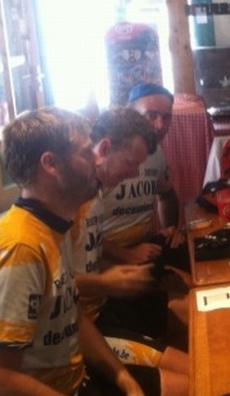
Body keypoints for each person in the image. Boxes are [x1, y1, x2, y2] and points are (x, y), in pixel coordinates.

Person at [0, 107, 188, 396]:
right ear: (51, 164)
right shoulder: (18, 248)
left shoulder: (50, 227)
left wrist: (127, 383)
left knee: (203, 389)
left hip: (71, 383)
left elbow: (71, 318)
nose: (96, 159)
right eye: (84, 151)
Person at [74, 106, 189, 375]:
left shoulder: (96, 195)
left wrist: (119, 274)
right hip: (88, 326)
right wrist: (109, 278)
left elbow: (88, 252)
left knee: (199, 311)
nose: (135, 174)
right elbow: (49, 287)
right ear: (103, 149)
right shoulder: (70, 201)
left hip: (103, 308)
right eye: (130, 163)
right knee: (195, 375)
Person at [99, 83, 191, 347]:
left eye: (166, 117)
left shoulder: (157, 153)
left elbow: (167, 195)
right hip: (111, 258)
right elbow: (79, 238)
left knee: (200, 266)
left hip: (145, 246)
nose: (159, 124)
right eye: (151, 115)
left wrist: (171, 228)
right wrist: (125, 255)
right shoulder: (100, 167)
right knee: (185, 295)